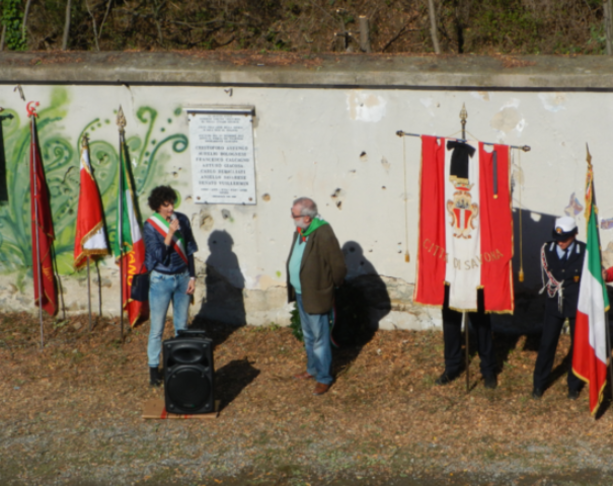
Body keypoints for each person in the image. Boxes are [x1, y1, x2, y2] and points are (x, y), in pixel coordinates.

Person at [287, 197, 346, 396]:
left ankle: (324, 377)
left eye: (294, 215)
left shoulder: (323, 232)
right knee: (309, 335)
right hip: (302, 292)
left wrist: (330, 287)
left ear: (307, 217)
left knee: (320, 338)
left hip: (316, 294)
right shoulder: (301, 231)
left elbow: (337, 266)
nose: (291, 218)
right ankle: (312, 369)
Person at [143, 185, 198, 386]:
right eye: (165, 205)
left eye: (172, 203)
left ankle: (180, 366)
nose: (170, 208)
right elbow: (159, 256)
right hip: (161, 280)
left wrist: (192, 277)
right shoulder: (150, 226)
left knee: (182, 326)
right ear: (157, 206)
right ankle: (153, 371)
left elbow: (190, 249)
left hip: (182, 277)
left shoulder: (182, 219)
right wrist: (169, 233)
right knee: (157, 328)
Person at [532, 216, 585, 399]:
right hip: (554, 301)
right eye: (558, 237)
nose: (560, 241)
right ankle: (539, 383)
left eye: (565, 238)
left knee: (577, 345)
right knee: (547, 343)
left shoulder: (584, 251)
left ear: (574, 235)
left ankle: (574, 384)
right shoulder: (547, 249)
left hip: (577, 302)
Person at [435, 288, 498, 389]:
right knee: (450, 321)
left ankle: (488, 368)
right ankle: (452, 366)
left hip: (475, 276)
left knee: (481, 321)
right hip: (452, 275)